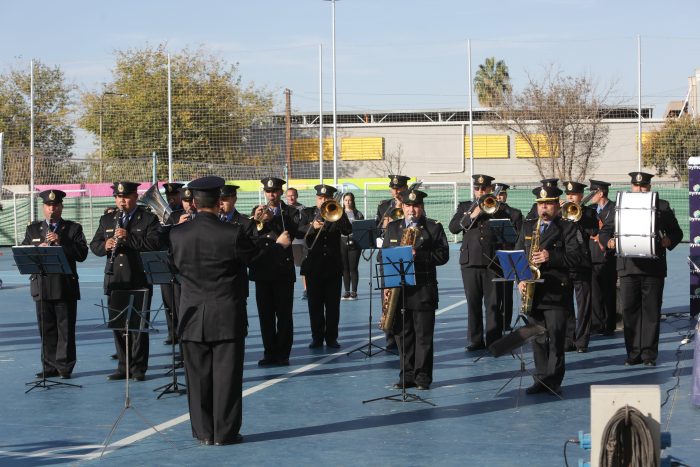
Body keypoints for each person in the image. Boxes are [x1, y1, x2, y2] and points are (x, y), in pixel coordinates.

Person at [170, 176, 291, 446]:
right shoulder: (231, 233)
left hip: (191, 314)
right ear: (218, 201)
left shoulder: (177, 234)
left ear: (194, 202)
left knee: (197, 377)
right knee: (226, 377)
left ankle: (203, 432)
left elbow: (174, 268)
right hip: (226, 313)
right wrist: (279, 246)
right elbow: (257, 260)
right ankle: (224, 432)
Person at [90, 181, 162, 381]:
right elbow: (94, 245)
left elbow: (155, 243)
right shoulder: (107, 219)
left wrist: (129, 238)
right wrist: (106, 244)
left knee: (138, 327)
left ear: (135, 197)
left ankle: (138, 368)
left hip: (139, 278)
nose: (122, 201)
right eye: (119, 197)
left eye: (127, 197)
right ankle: (124, 367)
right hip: (115, 278)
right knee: (119, 325)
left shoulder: (147, 219)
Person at [515, 185, 583, 395]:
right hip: (533, 292)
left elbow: (577, 258)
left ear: (556, 205)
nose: (544, 208)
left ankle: (553, 381)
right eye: (541, 204)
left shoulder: (568, 227)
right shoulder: (528, 227)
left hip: (556, 291)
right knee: (538, 338)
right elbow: (518, 254)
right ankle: (541, 379)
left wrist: (550, 257)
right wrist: (520, 280)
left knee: (555, 338)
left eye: (549, 204)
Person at [383, 189, 449, 390]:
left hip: (423, 290)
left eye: (416, 206)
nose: (412, 210)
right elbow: (383, 256)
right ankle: (407, 375)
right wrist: (387, 284)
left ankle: (422, 378)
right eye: (408, 206)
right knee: (403, 336)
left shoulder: (433, 228)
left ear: (422, 207)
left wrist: (418, 255)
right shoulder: (393, 228)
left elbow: (443, 256)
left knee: (423, 337)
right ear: (402, 207)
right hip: (400, 290)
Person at [616, 172, 683, 366]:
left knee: (651, 312)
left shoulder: (662, 206)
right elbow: (607, 231)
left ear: (650, 187)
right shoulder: (621, 205)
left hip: (653, 268)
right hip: (628, 267)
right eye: (637, 186)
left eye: (644, 186)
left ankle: (648, 355)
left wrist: (669, 240)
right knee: (629, 311)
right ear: (631, 187)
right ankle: (633, 353)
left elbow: (677, 232)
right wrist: (609, 240)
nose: (640, 189)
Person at [22, 190, 88, 379]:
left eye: (56, 205)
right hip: (41, 285)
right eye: (49, 206)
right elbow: (24, 252)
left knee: (65, 329)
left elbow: (81, 253)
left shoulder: (73, 229)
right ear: (43, 207)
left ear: (61, 206)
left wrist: (62, 242)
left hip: (64, 286)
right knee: (46, 328)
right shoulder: (33, 229)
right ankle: (49, 366)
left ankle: (65, 367)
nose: (52, 209)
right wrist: (37, 249)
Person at [448, 174, 511, 352]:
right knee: (473, 303)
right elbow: (453, 227)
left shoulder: (499, 208)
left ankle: (493, 339)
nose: (481, 191)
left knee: (493, 304)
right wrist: (472, 214)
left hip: (493, 261)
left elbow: (512, 222)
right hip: (470, 262)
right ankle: (475, 340)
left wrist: (496, 208)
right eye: (478, 188)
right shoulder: (465, 207)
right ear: (474, 189)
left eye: (484, 188)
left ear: (490, 189)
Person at [249, 177, 299, 366]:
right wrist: (257, 220)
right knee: (265, 315)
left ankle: (283, 353)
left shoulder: (290, 213)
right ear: (264, 193)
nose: (271, 194)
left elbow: (290, 234)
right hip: (262, 271)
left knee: (284, 315)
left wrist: (273, 220)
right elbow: (251, 237)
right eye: (268, 191)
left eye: (275, 191)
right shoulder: (257, 212)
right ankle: (269, 352)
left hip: (283, 272)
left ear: (280, 192)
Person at [299, 184, 352, 348]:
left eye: (326, 198)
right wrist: (311, 226)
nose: (323, 201)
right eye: (320, 198)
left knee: (332, 306)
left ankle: (331, 338)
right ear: (316, 198)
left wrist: (340, 213)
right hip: (313, 266)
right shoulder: (307, 213)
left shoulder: (336, 211)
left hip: (333, 266)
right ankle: (316, 337)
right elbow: (298, 231)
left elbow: (347, 230)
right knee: (314, 305)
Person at [561, 181, 597, 353]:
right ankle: (568, 339)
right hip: (564, 263)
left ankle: (582, 341)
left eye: (573, 195)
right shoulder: (561, 212)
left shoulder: (589, 212)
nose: (570, 197)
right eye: (568, 195)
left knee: (584, 304)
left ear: (581, 196)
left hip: (582, 262)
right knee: (566, 303)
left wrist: (579, 215)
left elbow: (594, 231)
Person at [588, 180, 617, 336]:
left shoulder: (613, 209)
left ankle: (609, 323)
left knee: (608, 291)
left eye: (593, 192)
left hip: (608, 256)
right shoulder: (590, 209)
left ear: (601, 193)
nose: (590, 196)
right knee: (594, 292)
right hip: (592, 254)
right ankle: (596, 323)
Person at [494, 183, 523, 331]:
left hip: (507, 255)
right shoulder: (489, 212)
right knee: (493, 292)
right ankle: (495, 323)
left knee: (506, 292)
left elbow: (520, 237)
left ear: (506, 196)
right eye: (497, 194)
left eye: (502, 194)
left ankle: (505, 322)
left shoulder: (514, 213)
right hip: (492, 257)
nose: (499, 197)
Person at [160, 182, 184, 346]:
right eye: (169, 196)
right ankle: (172, 332)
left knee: (180, 300)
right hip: (165, 260)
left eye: (174, 196)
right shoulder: (164, 213)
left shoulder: (186, 212)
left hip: (180, 263)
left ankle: (182, 333)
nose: (171, 199)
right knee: (168, 300)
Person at [340, 192, 364, 300]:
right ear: (343, 201)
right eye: (346, 200)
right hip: (342, 241)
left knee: (353, 268)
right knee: (344, 268)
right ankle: (346, 291)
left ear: (353, 201)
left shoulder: (358, 214)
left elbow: (361, 229)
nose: (348, 202)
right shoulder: (339, 213)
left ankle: (354, 291)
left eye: (349, 200)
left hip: (354, 242)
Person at [286, 187, 308, 300]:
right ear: (285, 197)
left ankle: (306, 290)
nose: (291, 197)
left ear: (297, 195)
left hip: (299, 241)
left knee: (303, 266)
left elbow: (303, 225)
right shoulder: (283, 209)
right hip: (286, 242)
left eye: (293, 195)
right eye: (289, 195)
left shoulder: (303, 209)